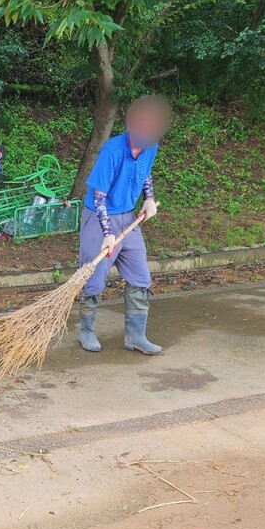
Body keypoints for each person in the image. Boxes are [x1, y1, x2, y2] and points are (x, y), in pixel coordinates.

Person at [78, 95, 171, 355]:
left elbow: (146, 173)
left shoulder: (151, 147)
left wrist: (149, 199)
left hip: (128, 217)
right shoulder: (113, 150)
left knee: (141, 277)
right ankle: (86, 331)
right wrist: (107, 234)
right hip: (99, 218)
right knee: (93, 279)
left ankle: (136, 337)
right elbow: (98, 197)